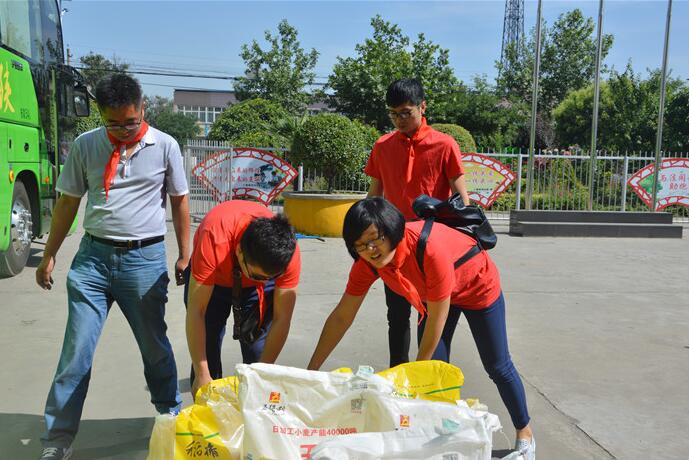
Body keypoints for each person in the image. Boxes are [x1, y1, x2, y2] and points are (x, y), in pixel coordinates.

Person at [35, 73, 190, 460]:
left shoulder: (166, 146)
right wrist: (51, 252)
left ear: (143, 109)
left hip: (144, 260)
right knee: (76, 353)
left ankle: (168, 415)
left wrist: (185, 252)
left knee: (154, 347)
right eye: (113, 123)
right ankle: (57, 440)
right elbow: (68, 202)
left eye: (130, 121)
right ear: (102, 115)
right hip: (92, 262)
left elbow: (180, 201)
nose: (122, 131)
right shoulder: (87, 146)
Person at [307, 198, 535, 459]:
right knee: (433, 369)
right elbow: (341, 317)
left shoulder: (429, 250)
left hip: (477, 288)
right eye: (359, 245)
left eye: (375, 239)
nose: (370, 250)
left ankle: (525, 432)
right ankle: (442, 438)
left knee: (497, 365)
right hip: (433, 296)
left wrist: (416, 376)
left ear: (393, 230)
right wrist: (311, 372)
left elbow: (438, 316)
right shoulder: (367, 264)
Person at [365, 78, 471, 367]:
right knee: (396, 316)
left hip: (430, 248)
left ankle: (423, 375)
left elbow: (462, 198)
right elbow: (374, 195)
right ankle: (397, 376)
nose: (399, 119)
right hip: (394, 246)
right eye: (393, 113)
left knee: (430, 314)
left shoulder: (445, 145)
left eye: (406, 112)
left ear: (423, 107)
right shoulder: (383, 146)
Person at [184, 200, 300, 398]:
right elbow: (197, 311)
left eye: (270, 278)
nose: (266, 280)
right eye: (258, 275)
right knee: (207, 351)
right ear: (239, 252)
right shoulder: (214, 236)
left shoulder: (287, 255)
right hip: (214, 279)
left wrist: (262, 373)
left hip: (254, 290)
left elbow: (282, 319)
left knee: (258, 351)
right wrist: (202, 373)